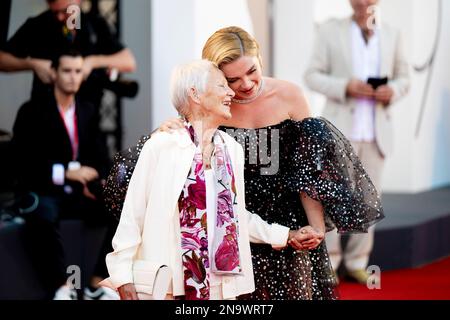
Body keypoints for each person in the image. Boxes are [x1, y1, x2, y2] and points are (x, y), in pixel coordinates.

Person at [156, 26, 384, 300]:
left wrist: (316, 227)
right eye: (233, 79)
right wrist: (174, 128)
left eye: (252, 71)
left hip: (289, 221)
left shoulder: (290, 95)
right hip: (233, 222)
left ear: (259, 59)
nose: (247, 84)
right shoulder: (212, 105)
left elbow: (307, 171)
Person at [103, 60, 321, 300]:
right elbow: (133, 215)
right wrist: (122, 276)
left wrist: (284, 235)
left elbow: (234, 216)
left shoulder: (231, 150)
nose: (231, 92)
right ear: (195, 94)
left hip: (221, 285)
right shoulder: (161, 146)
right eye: (222, 86)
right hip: (167, 285)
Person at [304, 0, 409, 284]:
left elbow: (405, 78)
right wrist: (345, 86)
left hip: (377, 133)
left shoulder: (393, 34)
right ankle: (331, 263)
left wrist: (393, 90)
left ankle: (358, 262)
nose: (364, 3)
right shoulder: (329, 30)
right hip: (340, 130)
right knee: (333, 199)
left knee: (369, 201)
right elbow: (311, 76)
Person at [11, 50, 118, 300]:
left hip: (80, 194)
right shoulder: (32, 110)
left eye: (78, 72)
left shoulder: (88, 110)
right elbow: (22, 162)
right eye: (67, 71)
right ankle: (62, 287)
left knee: (119, 204)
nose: (72, 77)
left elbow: (102, 157)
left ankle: (95, 284)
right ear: (54, 74)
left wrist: (95, 178)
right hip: (45, 190)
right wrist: (68, 173)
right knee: (42, 212)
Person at [0, 0, 136, 105]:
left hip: (87, 116)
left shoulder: (95, 24)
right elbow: (2, 60)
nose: (60, 17)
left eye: (65, 11)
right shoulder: (37, 25)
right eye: (55, 12)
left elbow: (129, 62)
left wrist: (92, 62)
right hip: (45, 113)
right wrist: (33, 64)